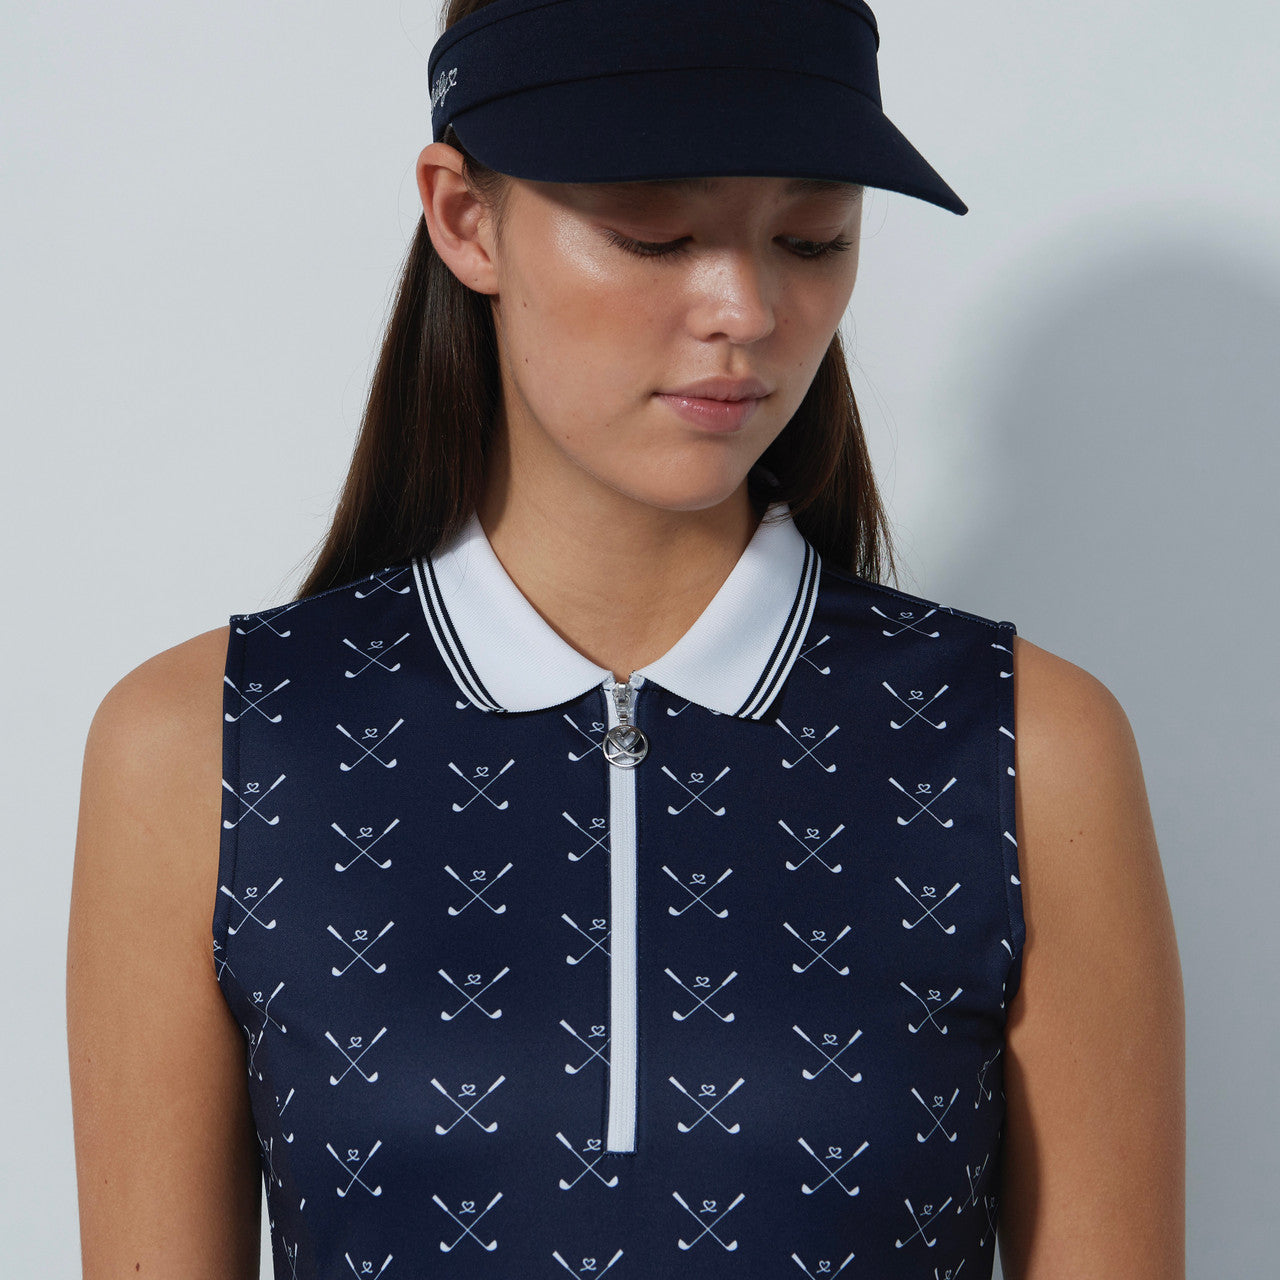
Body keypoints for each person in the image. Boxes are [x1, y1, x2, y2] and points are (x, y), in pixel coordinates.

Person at [66, 0, 1185, 1276]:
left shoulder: (1025, 748)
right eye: (655, 234)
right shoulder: (202, 748)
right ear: (463, 218)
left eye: (811, 237)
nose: (744, 308)